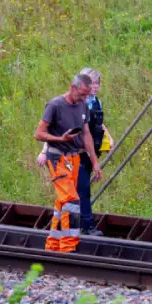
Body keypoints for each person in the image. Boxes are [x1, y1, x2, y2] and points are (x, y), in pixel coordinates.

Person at [37, 67, 113, 236]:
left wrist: (95, 162)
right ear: (74, 87)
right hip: (58, 157)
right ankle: (68, 235)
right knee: (70, 198)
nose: (86, 97)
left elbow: (87, 134)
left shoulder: (87, 105)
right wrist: (52, 145)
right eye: (83, 93)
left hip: (79, 156)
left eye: (95, 85)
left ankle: (70, 231)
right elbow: (41, 133)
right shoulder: (56, 105)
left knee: (81, 191)